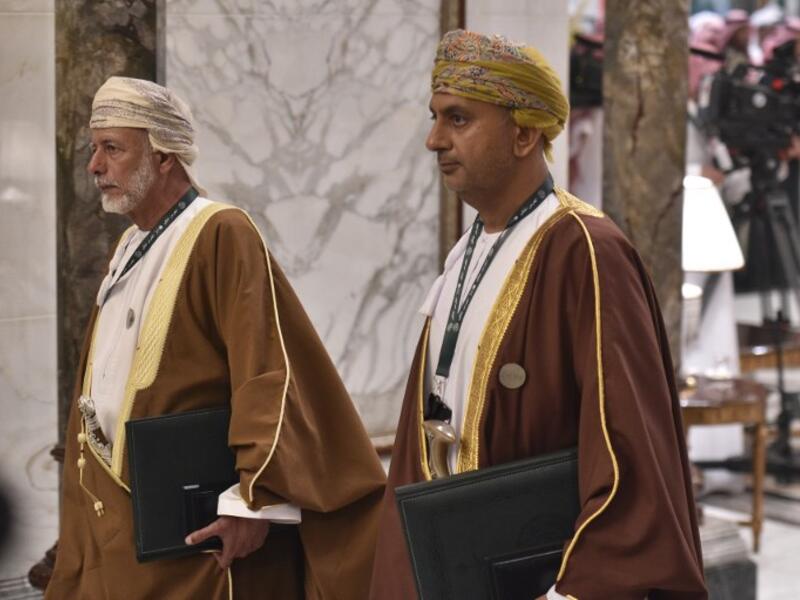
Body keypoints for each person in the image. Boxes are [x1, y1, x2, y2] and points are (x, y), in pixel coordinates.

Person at [370, 30, 707, 600]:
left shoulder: (586, 249)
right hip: (452, 569)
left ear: (524, 133)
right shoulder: (469, 246)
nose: (433, 141)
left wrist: (577, 588)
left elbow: (629, 451)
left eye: (458, 120)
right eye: (435, 118)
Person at [45, 77, 385, 599]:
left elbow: (266, 373)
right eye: (95, 149)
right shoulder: (132, 245)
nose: (94, 166)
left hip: (196, 545)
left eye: (112, 148)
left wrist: (254, 501)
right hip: (116, 527)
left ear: (164, 156)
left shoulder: (221, 231)